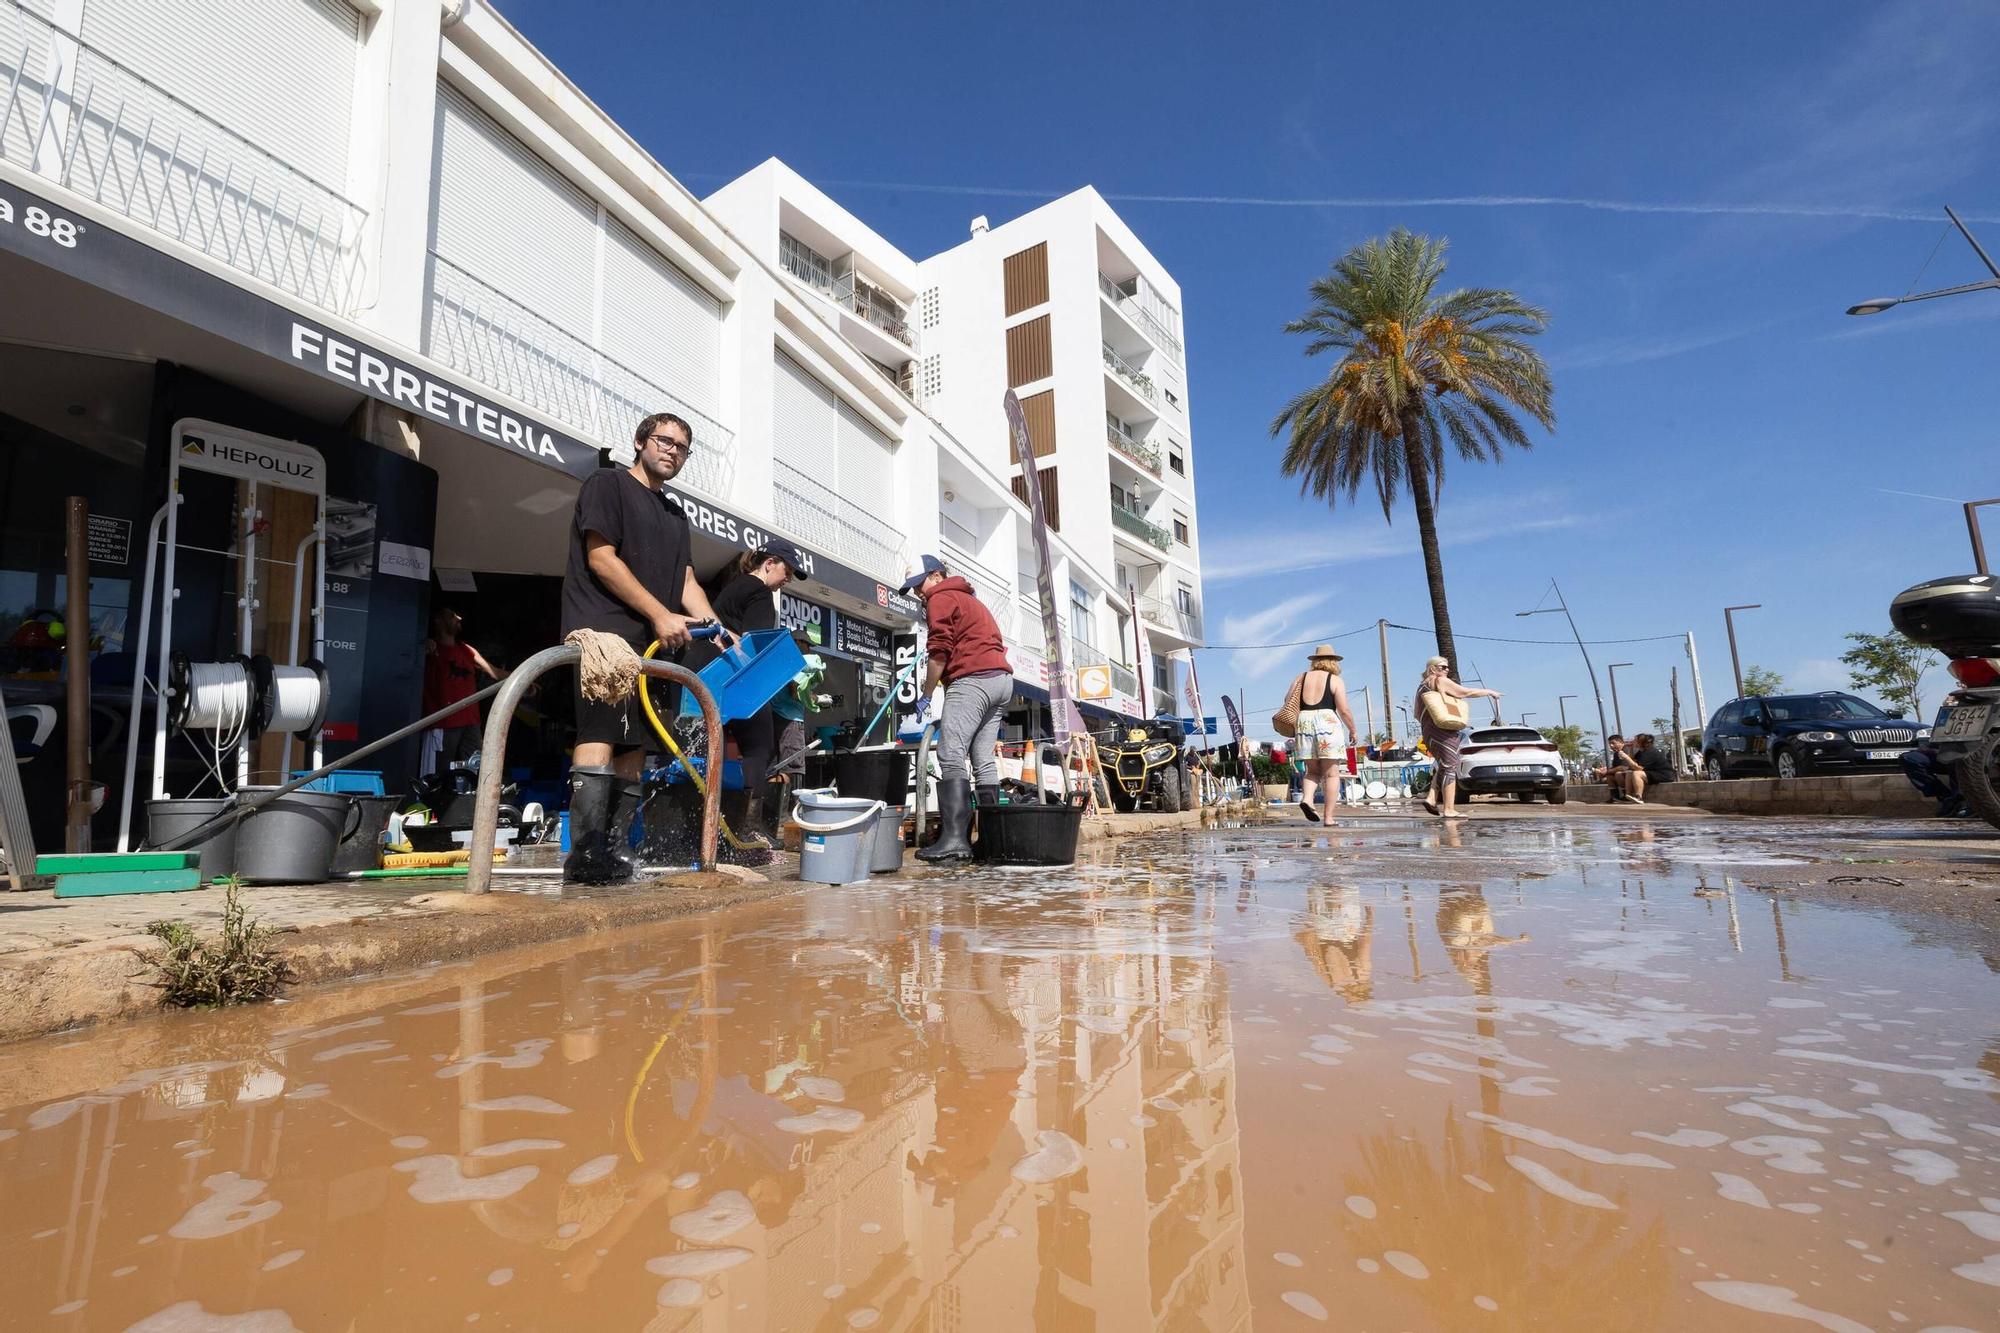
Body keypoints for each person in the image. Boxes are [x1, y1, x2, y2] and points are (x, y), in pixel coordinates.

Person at [559, 412, 732, 884]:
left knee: (635, 744)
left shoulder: (676, 516)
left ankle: (616, 851)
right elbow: (601, 558)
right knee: (600, 731)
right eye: (664, 440)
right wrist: (659, 613)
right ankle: (586, 853)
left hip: (654, 648)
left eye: (682, 447)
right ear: (640, 442)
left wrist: (717, 627)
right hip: (604, 637)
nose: (672, 451)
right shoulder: (608, 485)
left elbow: (686, 580)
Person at [691, 541, 805, 847]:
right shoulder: (759, 593)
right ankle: (748, 831)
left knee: (704, 749)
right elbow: (754, 647)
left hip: (704, 677)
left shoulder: (733, 588)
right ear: (769, 563)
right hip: (735, 679)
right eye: (787, 571)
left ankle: (701, 828)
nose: (788, 579)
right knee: (759, 748)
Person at [902, 554, 1013, 863]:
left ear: (937, 575)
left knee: (951, 753)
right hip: (1001, 681)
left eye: (920, 584)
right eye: (913, 588)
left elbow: (939, 650)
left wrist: (926, 694)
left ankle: (955, 841)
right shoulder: (971, 601)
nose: (919, 593)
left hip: (972, 679)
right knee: (982, 760)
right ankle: (990, 841)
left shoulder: (940, 597)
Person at [1416, 655, 1500, 819]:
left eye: (1447, 667)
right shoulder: (1439, 680)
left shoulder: (1422, 686)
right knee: (1450, 767)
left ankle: (1431, 798)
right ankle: (1449, 809)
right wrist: (1489, 692)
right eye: (1442, 667)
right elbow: (1465, 692)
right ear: (1432, 669)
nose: (1446, 670)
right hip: (1443, 730)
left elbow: (1417, 713)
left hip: (1428, 730)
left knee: (1443, 765)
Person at [421, 608, 503, 771]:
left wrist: (525, 678)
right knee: (440, 772)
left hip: (471, 721)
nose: (459, 618)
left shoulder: (466, 649)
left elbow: (494, 672)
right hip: (443, 722)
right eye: (452, 615)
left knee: (476, 769)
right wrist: (424, 646)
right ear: (438, 621)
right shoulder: (429, 647)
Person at [1284, 644, 1358, 823]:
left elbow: (1287, 700)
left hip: (1304, 723)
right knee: (1332, 774)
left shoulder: (1300, 678)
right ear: (1333, 662)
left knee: (1312, 771)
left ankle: (1307, 799)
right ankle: (1328, 818)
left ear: (1315, 661)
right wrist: (1353, 730)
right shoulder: (1335, 680)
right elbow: (1344, 710)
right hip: (1327, 723)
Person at [1902, 705, 1967, 817]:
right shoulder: (1951, 708)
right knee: (1909, 758)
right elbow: (1937, 738)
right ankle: (1945, 796)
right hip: (1942, 751)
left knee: (1956, 757)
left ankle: (1962, 801)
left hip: (1971, 754)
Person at [1591, 735, 1648, 804]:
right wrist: (1603, 770)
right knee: (1609, 777)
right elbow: (1615, 767)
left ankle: (1626, 796)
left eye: (1613, 743)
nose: (1611, 746)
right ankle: (1614, 797)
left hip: (1635, 772)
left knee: (1618, 774)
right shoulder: (1616, 753)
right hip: (1627, 773)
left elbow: (1623, 767)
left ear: (1621, 742)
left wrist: (1607, 771)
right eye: (1610, 744)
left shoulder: (1626, 750)